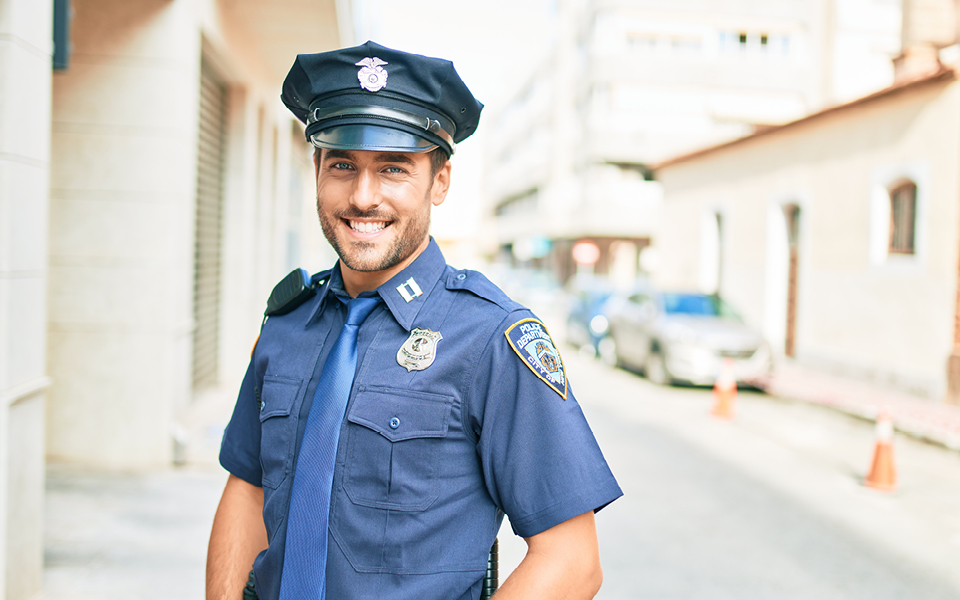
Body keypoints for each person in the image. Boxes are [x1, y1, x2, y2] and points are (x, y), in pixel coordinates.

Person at [206, 41, 622, 600]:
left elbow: (572, 561)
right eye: (343, 165)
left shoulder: (491, 338)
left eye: (393, 169)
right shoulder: (286, 323)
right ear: (317, 170)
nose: (362, 196)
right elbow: (247, 490)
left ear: (440, 181)